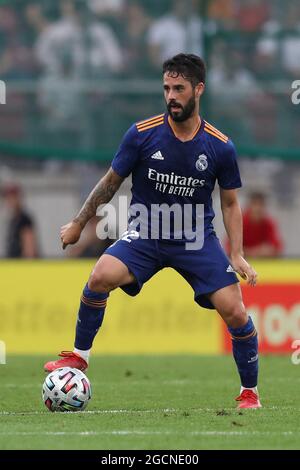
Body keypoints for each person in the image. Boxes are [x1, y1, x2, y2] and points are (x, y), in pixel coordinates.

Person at [44, 53, 260, 409]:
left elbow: (230, 203)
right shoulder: (142, 134)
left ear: (198, 90)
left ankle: (250, 393)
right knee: (100, 275)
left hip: (195, 239)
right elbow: (111, 182)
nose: (171, 96)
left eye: (179, 88)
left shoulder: (221, 146)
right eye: (166, 88)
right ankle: (79, 357)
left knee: (235, 311)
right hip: (145, 233)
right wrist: (80, 223)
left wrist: (236, 253)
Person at [2, 183, 38, 258]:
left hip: (21, 267)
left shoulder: (24, 220)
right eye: (7, 198)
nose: (9, 201)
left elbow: (30, 251)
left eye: (13, 197)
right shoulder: (13, 220)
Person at [242, 192, 283, 257]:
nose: (258, 208)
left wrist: (266, 250)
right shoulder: (240, 222)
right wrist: (250, 252)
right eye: (255, 204)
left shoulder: (268, 223)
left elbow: (277, 247)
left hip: (263, 263)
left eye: (260, 205)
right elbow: (229, 247)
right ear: (249, 206)